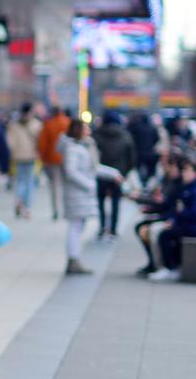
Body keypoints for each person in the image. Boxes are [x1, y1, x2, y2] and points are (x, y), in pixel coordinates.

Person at [59, 119, 121, 275]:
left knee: (78, 226)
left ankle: (74, 258)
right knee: (76, 226)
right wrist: (89, 185)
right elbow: (71, 171)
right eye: (86, 128)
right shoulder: (73, 148)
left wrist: (113, 174)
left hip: (81, 193)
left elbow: (94, 168)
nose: (89, 131)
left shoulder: (82, 146)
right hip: (77, 194)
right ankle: (73, 259)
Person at [150, 158, 196, 282]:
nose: (183, 173)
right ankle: (169, 267)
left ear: (195, 173)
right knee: (168, 234)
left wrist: (181, 212)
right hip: (191, 224)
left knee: (165, 236)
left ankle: (170, 268)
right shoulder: (192, 187)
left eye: (187, 170)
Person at [132, 153, 184, 276]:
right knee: (141, 227)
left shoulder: (178, 184)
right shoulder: (169, 180)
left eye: (169, 165)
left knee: (152, 230)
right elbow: (162, 201)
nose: (166, 167)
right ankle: (153, 263)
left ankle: (160, 265)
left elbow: (168, 204)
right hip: (167, 215)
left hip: (172, 218)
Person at [93, 111, 137, 240]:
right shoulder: (125, 136)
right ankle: (113, 229)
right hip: (119, 174)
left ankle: (102, 227)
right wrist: (125, 172)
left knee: (100, 201)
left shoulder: (97, 135)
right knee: (116, 202)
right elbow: (132, 158)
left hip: (101, 174)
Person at [6, 103, 42, 218]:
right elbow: (40, 141)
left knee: (20, 181)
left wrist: (13, 153)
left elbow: (9, 142)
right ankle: (27, 208)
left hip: (17, 157)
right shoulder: (37, 124)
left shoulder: (13, 125)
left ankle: (18, 200)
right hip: (31, 156)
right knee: (29, 182)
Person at [39, 106, 73, 220]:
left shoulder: (49, 124)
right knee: (67, 185)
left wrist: (43, 158)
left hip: (52, 159)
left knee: (54, 186)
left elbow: (42, 144)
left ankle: (56, 210)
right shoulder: (69, 123)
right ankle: (66, 209)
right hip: (68, 158)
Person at [128, 111, 160, 183]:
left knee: (138, 172)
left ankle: (140, 184)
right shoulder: (152, 128)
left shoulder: (136, 128)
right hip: (150, 153)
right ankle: (148, 185)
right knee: (150, 173)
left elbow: (131, 138)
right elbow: (157, 138)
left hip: (139, 153)